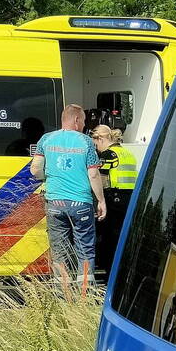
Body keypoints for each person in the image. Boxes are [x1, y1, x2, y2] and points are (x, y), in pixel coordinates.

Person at [30, 104, 107, 285]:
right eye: (83, 122)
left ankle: (61, 295)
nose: (83, 126)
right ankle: (84, 295)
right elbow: (93, 174)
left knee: (59, 250)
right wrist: (101, 201)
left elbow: (35, 170)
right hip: (81, 203)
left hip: (55, 203)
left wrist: (49, 178)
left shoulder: (46, 139)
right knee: (85, 249)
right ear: (76, 120)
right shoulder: (86, 142)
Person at [91, 124, 137, 273]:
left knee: (109, 236)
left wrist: (97, 200)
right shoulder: (126, 153)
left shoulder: (107, 155)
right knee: (121, 236)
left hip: (113, 199)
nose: (96, 147)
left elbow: (101, 179)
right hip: (129, 199)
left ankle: (109, 270)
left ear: (100, 139)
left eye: (95, 143)